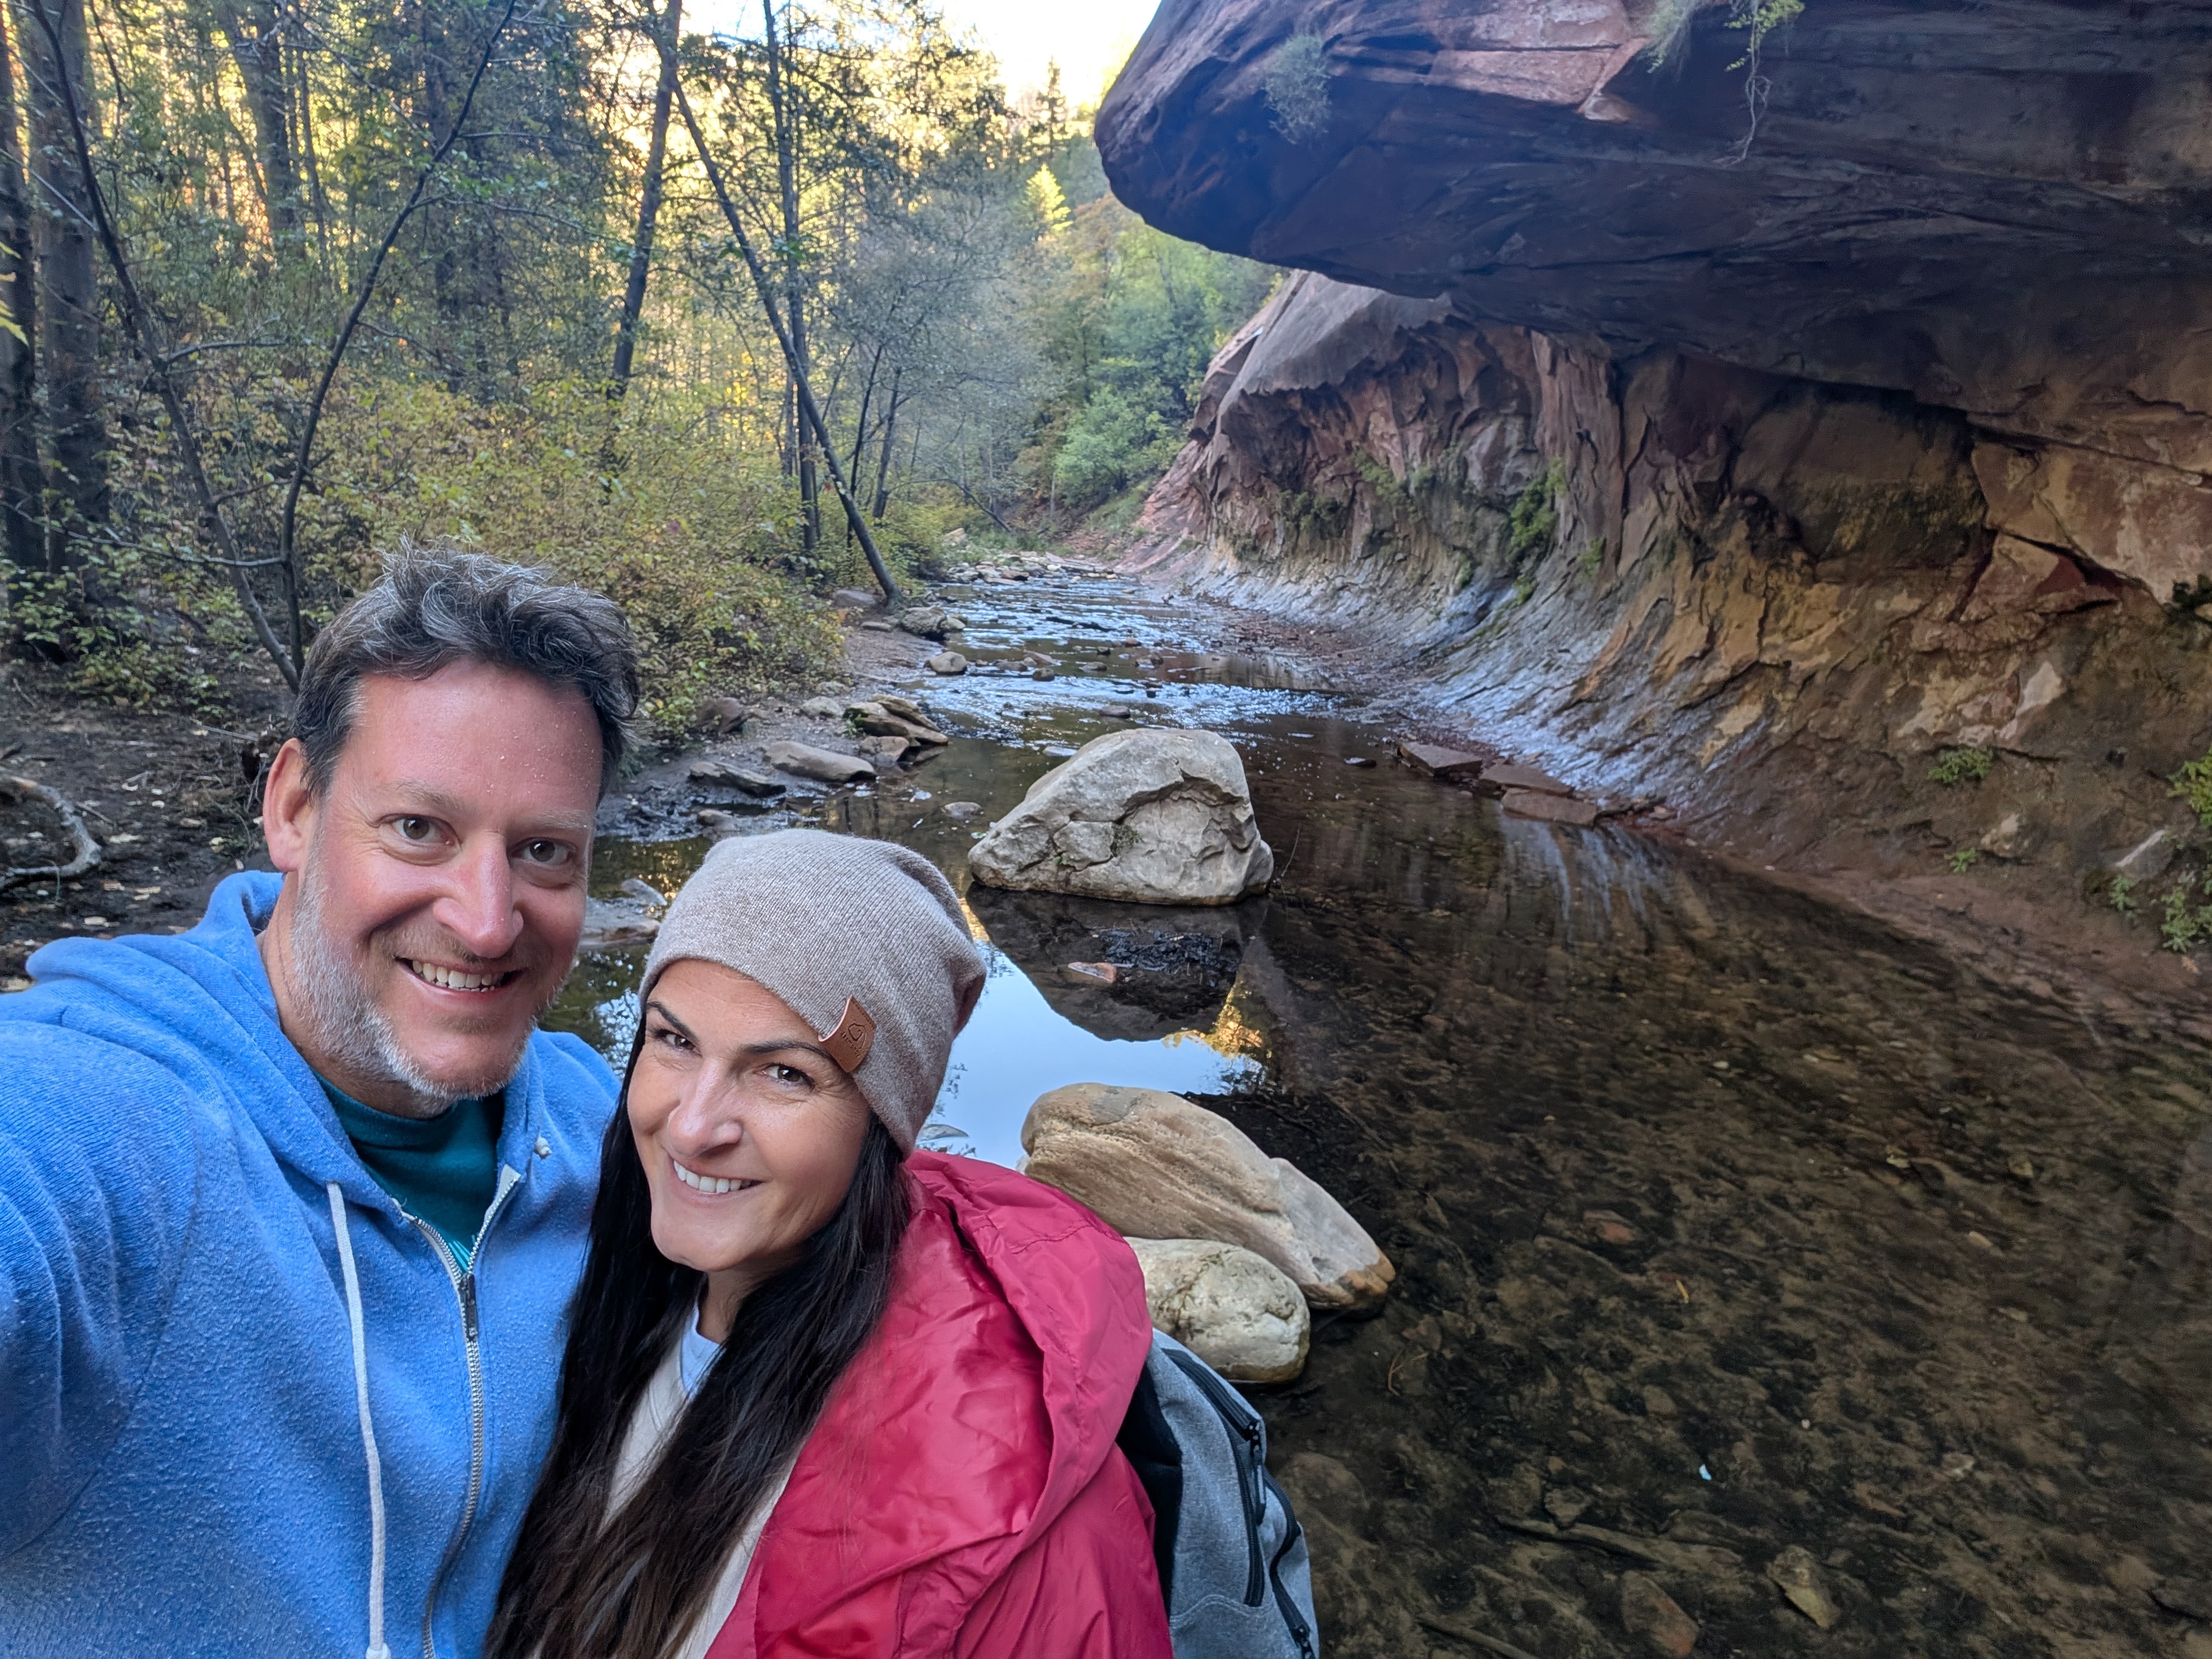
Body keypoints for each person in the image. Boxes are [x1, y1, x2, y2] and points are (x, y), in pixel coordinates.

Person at [0, 546, 638, 1658]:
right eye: (418, 830)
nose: (488, 922)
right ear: (294, 805)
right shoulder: (111, 1119)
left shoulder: (596, 1124)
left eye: (543, 851)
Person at [488, 830, 1173, 1659]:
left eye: (784, 1074)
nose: (695, 1127)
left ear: (880, 1128)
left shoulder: (1013, 1527)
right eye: (674, 1040)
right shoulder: (605, 1283)